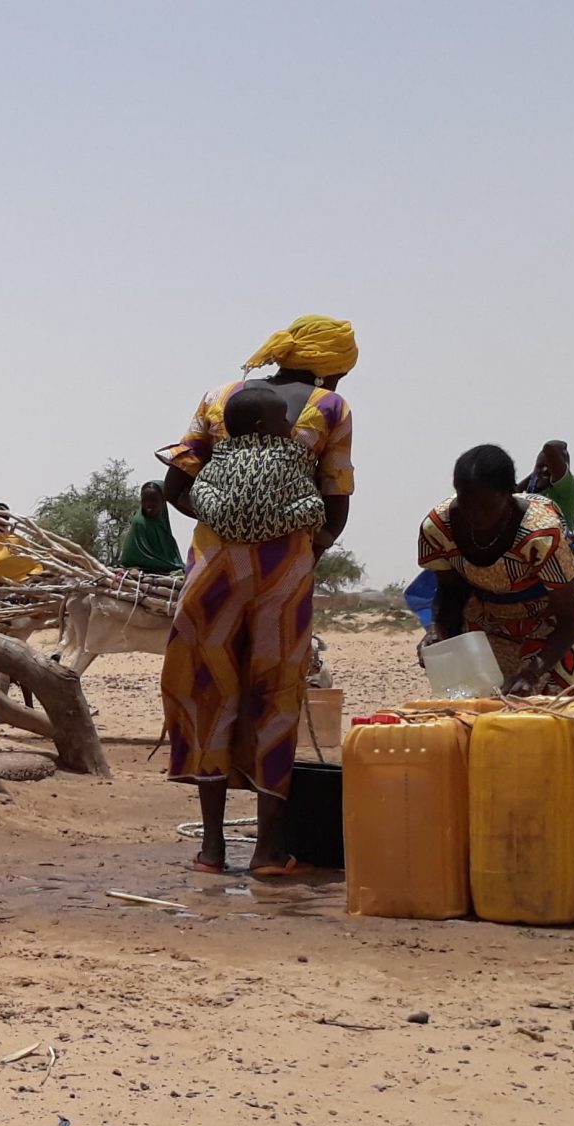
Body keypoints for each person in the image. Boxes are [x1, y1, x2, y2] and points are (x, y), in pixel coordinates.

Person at [155, 314, 359, 876]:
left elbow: (177, 486)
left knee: (207, 690)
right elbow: (335, 502)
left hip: (211, 572)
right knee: (277, 695)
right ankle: (269, 851)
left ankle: (212, 850)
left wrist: (230, 521)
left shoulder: (219, 398)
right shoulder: (331, 409)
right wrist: (293, 548)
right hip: (284, 573)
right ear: (330, 364)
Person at [417, 444, 574, 696]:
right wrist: (436, 632)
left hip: (547, 622)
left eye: (487, 507)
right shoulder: (438, 528)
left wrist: (531, 673)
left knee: (551, 712)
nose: (475, 516)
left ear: (509, 494)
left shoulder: (540, 534)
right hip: (484, 619)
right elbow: (450, 592)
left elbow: (568, 620)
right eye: (466, 505)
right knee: (480, 705)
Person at [183, 386, 329, 544]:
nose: (290, 425)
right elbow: (305, 469)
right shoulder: (289, 451)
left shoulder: (224, 451)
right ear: (261, 427)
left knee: (200, 487)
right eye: (284, 419)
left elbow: (207, 477)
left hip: (223, 520)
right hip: (274, 521)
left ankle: (192, 501)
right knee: (315, 505)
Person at [119, 481, 186, 575]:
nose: (148, 505)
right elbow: (135, 559)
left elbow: (173, 559)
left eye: (153, 500)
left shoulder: (162, 524)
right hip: (142, 572)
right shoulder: (140, 523)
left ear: (163, 501)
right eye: (145, 500)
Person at [524, 440, 574, 532]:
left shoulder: (566, 487)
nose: (545, 469)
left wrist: (562, 448)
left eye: (549, 465)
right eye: (540, 466)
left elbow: (550, 448)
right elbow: (510, 492)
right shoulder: (532, 493)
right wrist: (534, 476)